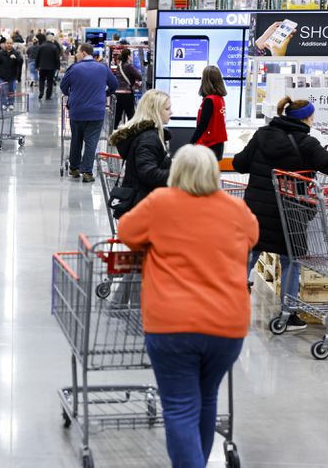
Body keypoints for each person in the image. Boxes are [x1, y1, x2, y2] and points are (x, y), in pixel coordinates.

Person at [118, 144, 258, 468]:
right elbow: (251, 237)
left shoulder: (160, 203)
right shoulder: (235, 209)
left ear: (176, 172)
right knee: (207, 398)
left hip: (172, 325)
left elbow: (126, 231)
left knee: (180, 406)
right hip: (227, 325)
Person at [233, 96, 328, 330]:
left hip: (255, 211)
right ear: (307, 119)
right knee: (291, 260)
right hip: (289, 213)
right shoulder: (306, 144)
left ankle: (226, 303)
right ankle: (287, 315)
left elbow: (239, 163)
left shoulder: (262, 135)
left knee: (248, 255)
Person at [59, 43, 118, 183]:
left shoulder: (74, 68)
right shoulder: (102, 68)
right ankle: (87, 171)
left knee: (76, 139)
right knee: (91, 141)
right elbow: (114, 84)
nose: (76, 55)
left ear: (84, 53)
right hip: (96, 111)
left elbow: (63, 86)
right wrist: (105, 94)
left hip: (77, 111)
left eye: (78, 52)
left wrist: (72, 94)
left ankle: (74, 168)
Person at [108, 89, 173, 211]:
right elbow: (148, 173)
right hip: (144, 205)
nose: (171, 112)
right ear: (155, 111)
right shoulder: (149, 139)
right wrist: (179, 174)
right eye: (167, 109)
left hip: (141, 202)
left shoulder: (143, 135)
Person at [191, 66, 228, 160]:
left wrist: (191, 142)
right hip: (218, 144)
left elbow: (203, 124)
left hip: (208, 145)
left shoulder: (209, 100)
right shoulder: (220, 99)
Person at [112, 48, 142, 129]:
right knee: (131, 115)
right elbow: (139, 76)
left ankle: (113, 132)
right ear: (128, 56)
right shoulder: (129, 66)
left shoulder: (119, 66)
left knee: (117, 115)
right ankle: (130, 133)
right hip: (127, 94)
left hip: (117, 93)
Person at [0, 38, 23, 109]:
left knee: (11, 90)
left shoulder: (16, 53)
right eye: (7, 43)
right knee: (3, 89)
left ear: (12, 44)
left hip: (12, 75)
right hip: (2, 75)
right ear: (5, 44)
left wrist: (16, 58)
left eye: (10, 43)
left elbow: (21, 62)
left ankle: (11, 104)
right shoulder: (0, 53)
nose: (9, 45)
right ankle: (4, 103)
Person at [36, 33, 61, 100]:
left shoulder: (41, 46)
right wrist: (58, 67)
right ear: (52, 40)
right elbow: (57, 58)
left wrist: (37, 66)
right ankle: (48, 95)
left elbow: (37, 57)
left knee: (41, 80)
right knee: (50, 81)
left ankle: (41, 92)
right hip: (51, 68)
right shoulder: (54, 47)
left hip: (42, 67)